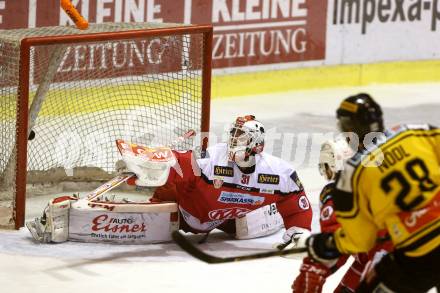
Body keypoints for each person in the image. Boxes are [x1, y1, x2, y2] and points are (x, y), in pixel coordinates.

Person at [306, 93, 440, 292]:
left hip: (415, 251)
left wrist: (324, 248)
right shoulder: (415, 133)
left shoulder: (351, 177)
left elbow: (359, 240)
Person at [126, 115, 313, 245]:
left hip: (223, 220)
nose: (233, 140)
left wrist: (299, 230)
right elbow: (181, 162)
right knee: (164, 198)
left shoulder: (278, 172)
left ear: (257, 144)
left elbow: (295, 200)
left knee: (246, 229)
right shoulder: (212, 158)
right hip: (186, 211)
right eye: (232, 134)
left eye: (240, 137)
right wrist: (151, 164)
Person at [292, 138, 392, 293]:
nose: (326, 172)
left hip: (389, 262)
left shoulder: (336, 193)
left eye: (327, 166)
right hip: (406, 252)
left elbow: (335, 241)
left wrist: (314, 269)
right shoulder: (381, 181)